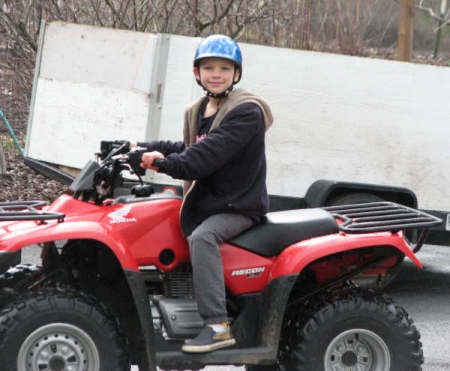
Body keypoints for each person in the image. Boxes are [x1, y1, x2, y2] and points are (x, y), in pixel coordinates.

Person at [137, 34, 273, 353]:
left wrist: (159, 163)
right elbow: (189, 147)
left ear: (236, 73)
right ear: (197, 72)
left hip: (238, 205)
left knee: (202, 238)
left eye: (224, 68)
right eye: (209, 67)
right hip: (211, 201)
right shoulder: (202, 109)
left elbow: (200, 160)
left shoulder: (245, 112)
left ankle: (217, 325)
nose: (216, 74)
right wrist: (139, 147)